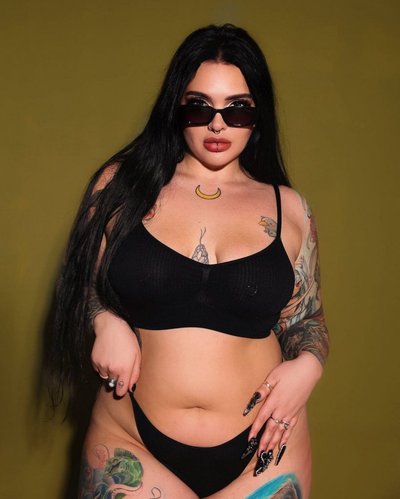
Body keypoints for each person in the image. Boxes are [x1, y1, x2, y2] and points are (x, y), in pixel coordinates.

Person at [50, 24, 329, 498]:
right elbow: (82, 284)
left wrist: (308, 367)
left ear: (258, 114)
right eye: (200, 107)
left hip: (265, 450)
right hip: (131, 438)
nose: (217, 125)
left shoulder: (290, 209)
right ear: (177, 108)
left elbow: (307, 320)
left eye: (237, 109)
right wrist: (104, 322)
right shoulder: (121, 187)